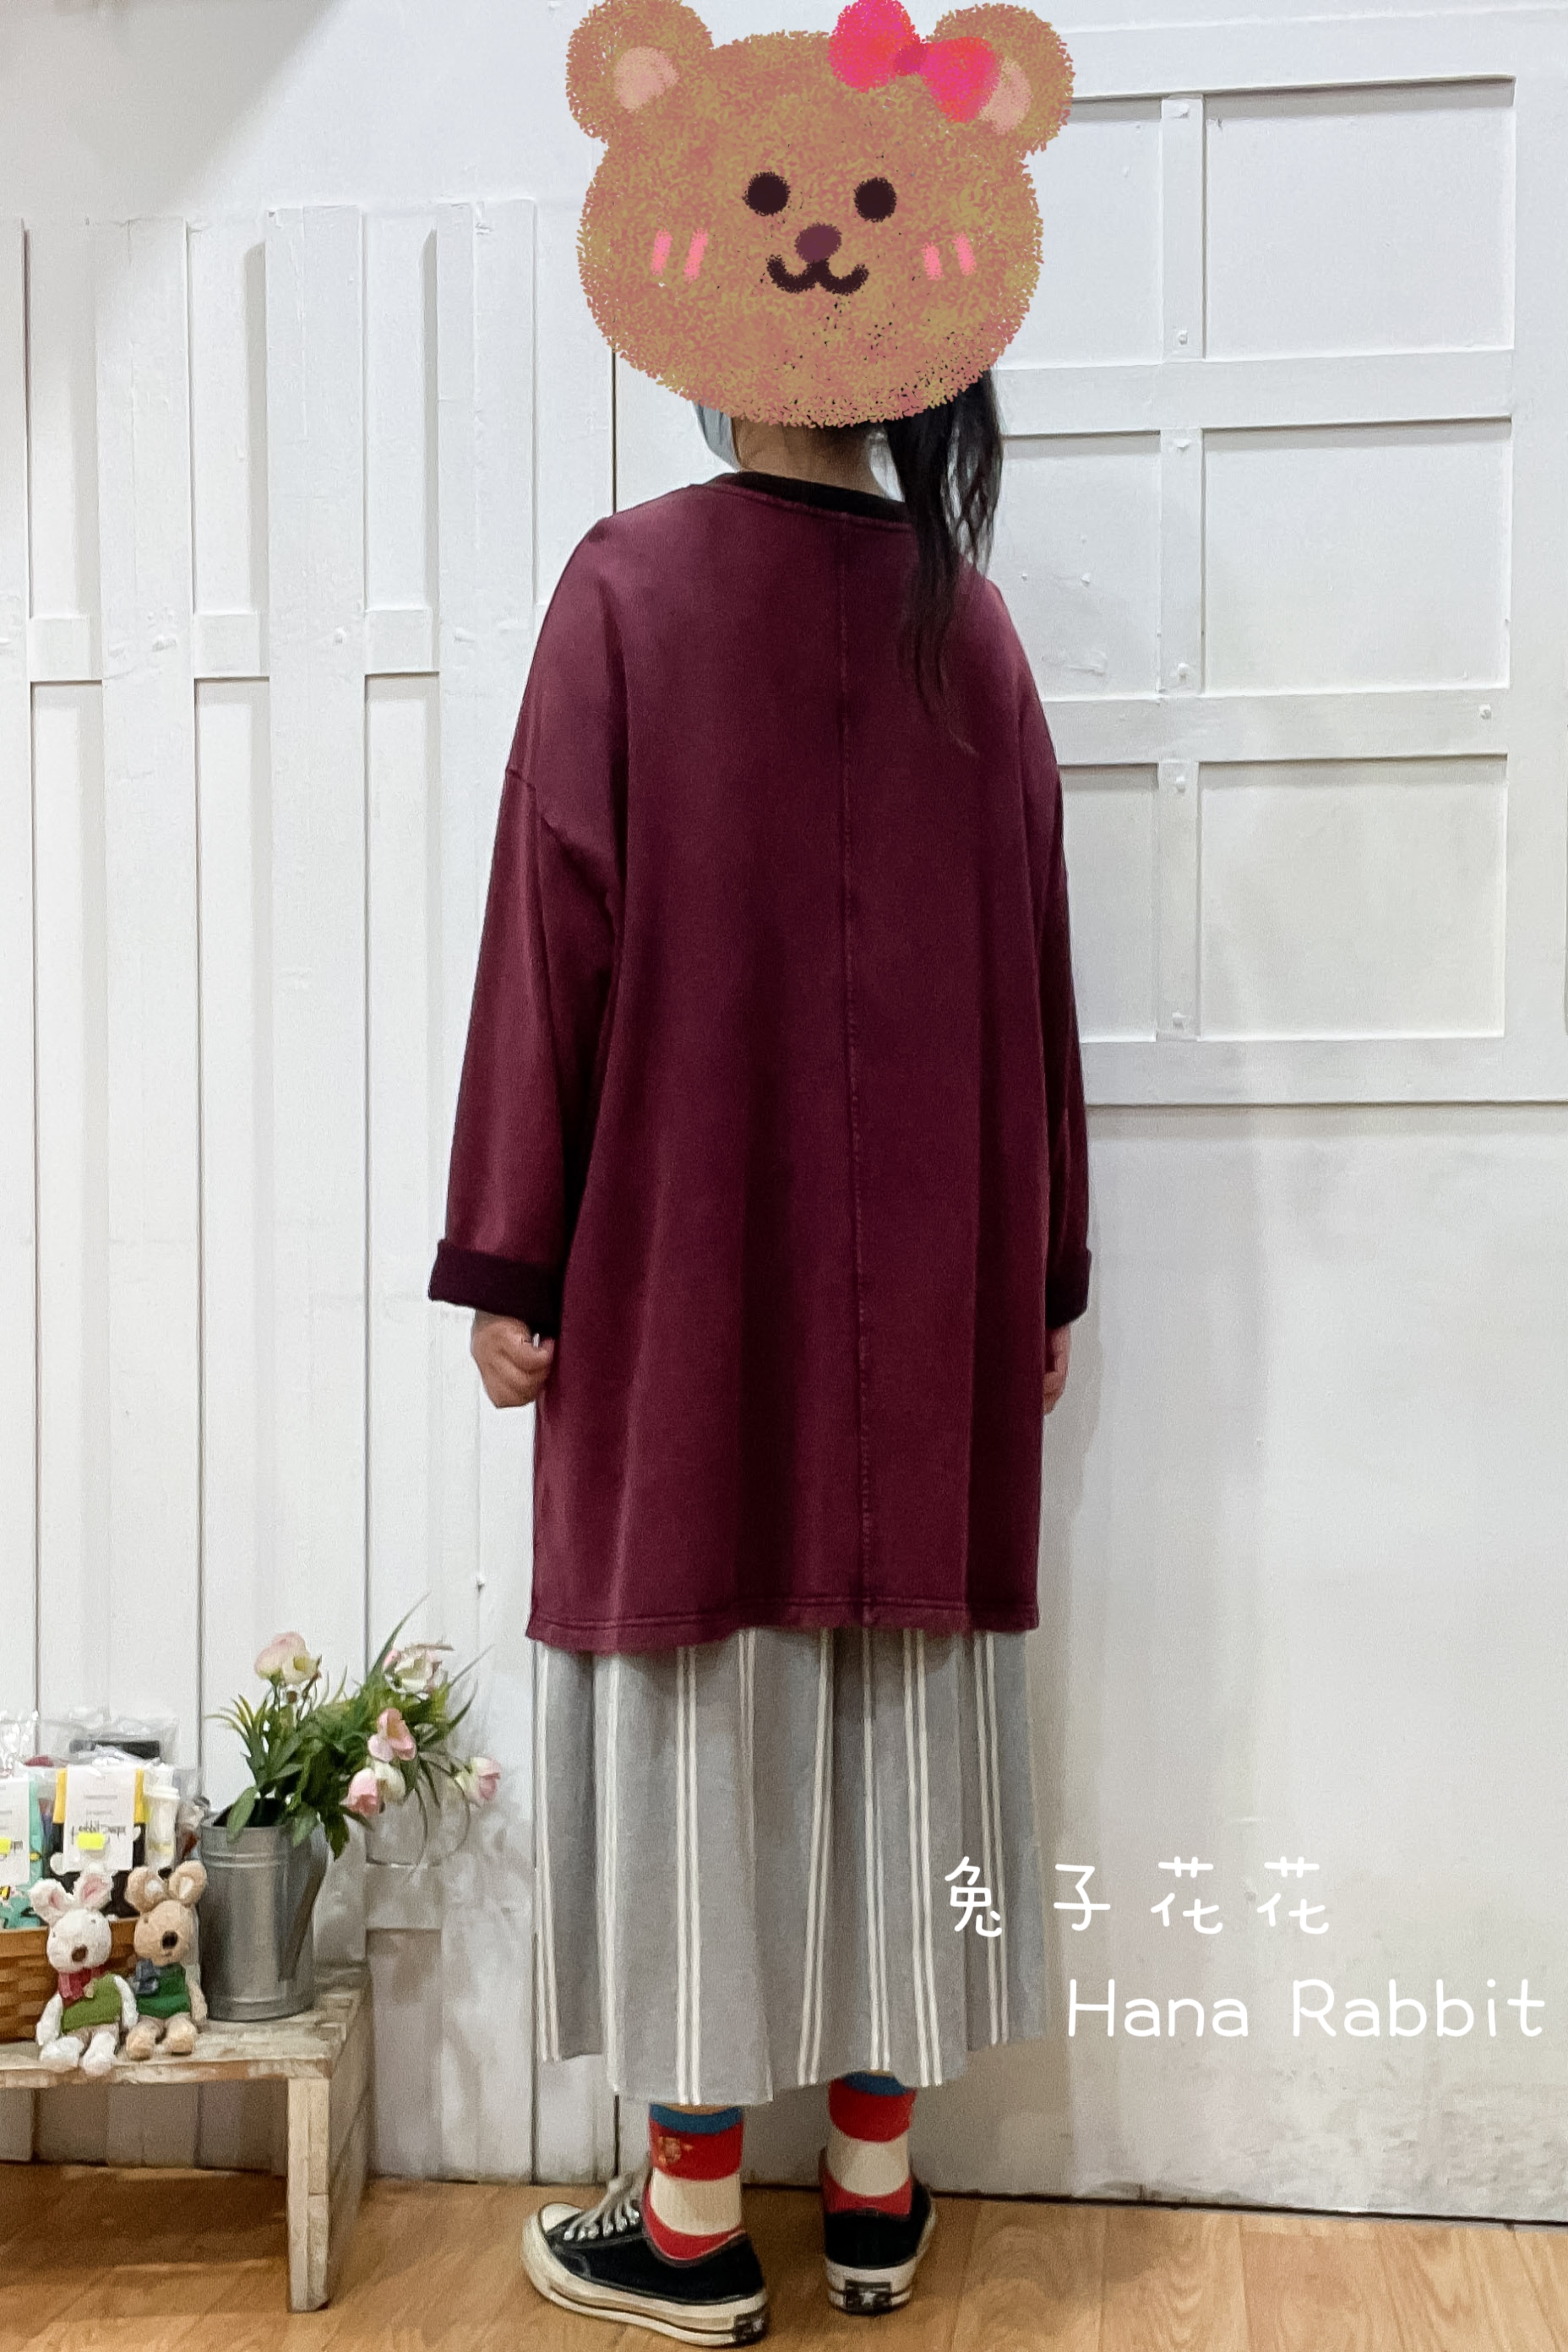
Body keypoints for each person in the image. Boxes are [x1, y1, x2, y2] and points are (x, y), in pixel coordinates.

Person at [427, 379, 1090, 2345]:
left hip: (689, 1270)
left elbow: (550, 929)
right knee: (901, 1715)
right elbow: (1038, 974)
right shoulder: (969, 628)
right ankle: (873, 2198)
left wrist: (508, 1249)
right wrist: (1042, 1274)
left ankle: (695, 2223)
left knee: (698, 1710)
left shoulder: (631, 592)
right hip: (940, 1290)